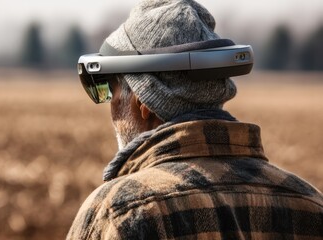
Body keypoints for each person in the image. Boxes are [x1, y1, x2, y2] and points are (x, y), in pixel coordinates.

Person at [67, 0, 323, 239]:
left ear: (143, 102)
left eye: (110, 91)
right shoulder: (310, 204)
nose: (110, 107)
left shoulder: (119, 213)